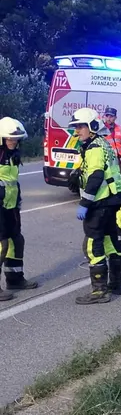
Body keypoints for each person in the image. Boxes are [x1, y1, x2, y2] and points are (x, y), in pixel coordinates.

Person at [69, 107, 121, 305]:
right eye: (76, 127)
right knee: (112, 242)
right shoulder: (102, 143)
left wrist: (85, 203)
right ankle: (117, 284)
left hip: (99, 203)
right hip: (111, 202)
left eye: (80, 127)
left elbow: (95, 176)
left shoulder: (94, 147)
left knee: (93, 246)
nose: (77, 131)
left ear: (92, 126)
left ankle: (99, 291)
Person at [0, 117, 38, 301]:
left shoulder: (12, 155)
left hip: (11, 205)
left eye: (15, 140)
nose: (13, 142)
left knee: (16, 241)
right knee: (1, 245)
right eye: (9, 139)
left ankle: (14, 278)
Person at [102, 107, 121, 173]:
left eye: (111, 116)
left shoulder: (120, 128)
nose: (108, 118)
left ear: (115, 117)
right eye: (107, 115)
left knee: (120, 179)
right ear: (104, 116)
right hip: (108, 161)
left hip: (119, 161)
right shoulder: (101, 129)